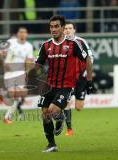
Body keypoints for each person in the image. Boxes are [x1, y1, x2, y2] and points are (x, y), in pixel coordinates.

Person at [29, 15, 96, 152]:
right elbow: (38, 63)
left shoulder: (73, 44)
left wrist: (89, 80)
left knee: (52, 111)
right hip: (49, 86)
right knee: (45, 114)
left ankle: (60, 117)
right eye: (51, 27)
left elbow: (87, 60)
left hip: (66, 86)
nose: (53, 29)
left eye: (56, 26)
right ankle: (52, 145)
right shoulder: (46, 45)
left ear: (62, 28)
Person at [63, 21, 94, 136]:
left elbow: (90, 57)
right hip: (68, 78)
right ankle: (69, 129)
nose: (67, 30)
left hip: (81, 78)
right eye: (65, 28)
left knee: (79, 107)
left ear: (74, 30)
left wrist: (87, 73)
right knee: (66, 103)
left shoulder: (81, 41)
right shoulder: (60, 43)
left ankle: (81, 94)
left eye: (70, 28)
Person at [1, 26, 34, 124]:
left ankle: (7, 117)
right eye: (21, 32)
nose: (23, 34)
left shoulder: (29, 46)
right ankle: (7, 115)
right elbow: (2, 54)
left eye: (24, 32)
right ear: (18, 34)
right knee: (13, 95)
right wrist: (4, 61)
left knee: (17, 96)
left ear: (27, 34)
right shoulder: (11, 42)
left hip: (20, 73)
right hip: (9, 72)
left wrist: (26, 72)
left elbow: (28, 60)